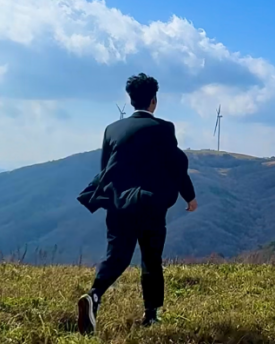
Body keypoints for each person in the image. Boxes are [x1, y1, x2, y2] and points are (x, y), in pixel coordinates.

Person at [75, 73, 197, 334]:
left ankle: (94, 296)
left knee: (117, 257)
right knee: (151, 259)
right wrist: (190, 196)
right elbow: (176, 166)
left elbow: (105, 169)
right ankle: (151, 315)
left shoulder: (112, 129)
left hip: (117, 204)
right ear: (154, 100)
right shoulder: (164, 129)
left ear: (130, 100)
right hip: (149, 204)